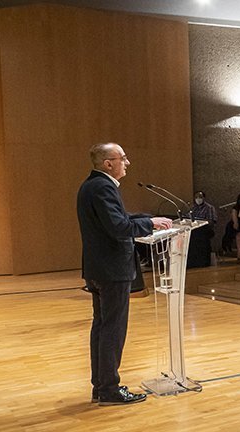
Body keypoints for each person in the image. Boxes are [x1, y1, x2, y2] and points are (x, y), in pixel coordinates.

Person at [77, 142, 173, 405]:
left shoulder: (91, 185)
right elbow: (118, 227)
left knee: (102, 327)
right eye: (123, 158)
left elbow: (118, 218)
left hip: (98, 268)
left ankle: (101, 387)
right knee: (113, 329)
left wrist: (147, 219)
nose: (127, 163)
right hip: (112, 270)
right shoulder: (103, 187)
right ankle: (109, 389)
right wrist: (149, 223)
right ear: (108, 163)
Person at [188, 190, 216, 268]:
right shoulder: (193, 208)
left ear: (204, 198)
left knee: (199, 236)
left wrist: (201, 222)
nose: (198, 199)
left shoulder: (209, 208)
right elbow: (188, 218)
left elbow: (211, 221)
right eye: (196, 197)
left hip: (206, 230)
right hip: (195, 229)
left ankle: (203, 261)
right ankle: (193, 261)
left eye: (200, 197)